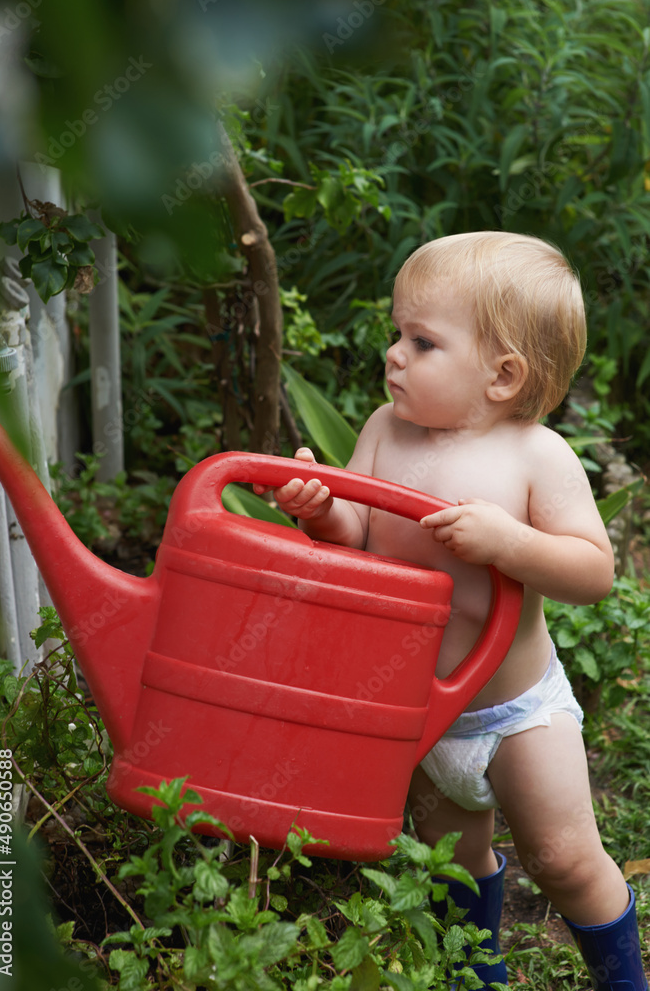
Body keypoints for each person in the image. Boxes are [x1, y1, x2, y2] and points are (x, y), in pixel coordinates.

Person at [254, 231, 648, 990]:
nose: (394, 354)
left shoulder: (536, 456)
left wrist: (508, 542)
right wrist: (320, 511)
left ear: (503, 375)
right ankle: (480, 976)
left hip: (515, 712)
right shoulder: (381, 430)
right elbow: (357, 535)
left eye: (423, 341)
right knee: (453, 866)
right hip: (422, 715)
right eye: (397, 334)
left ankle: (622, 980)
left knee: (564, 858)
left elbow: (592, 572)